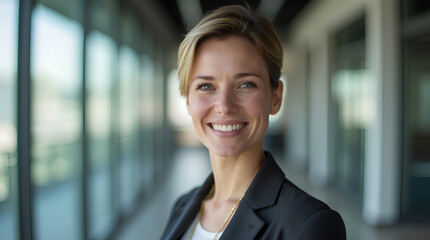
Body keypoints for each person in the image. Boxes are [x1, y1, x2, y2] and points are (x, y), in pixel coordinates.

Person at [161, 5, 346, 240]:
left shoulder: (308, 224)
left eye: (246, 84)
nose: (225, 106)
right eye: (206, 86)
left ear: (276, 98)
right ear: (188, 101)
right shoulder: (183, 206)